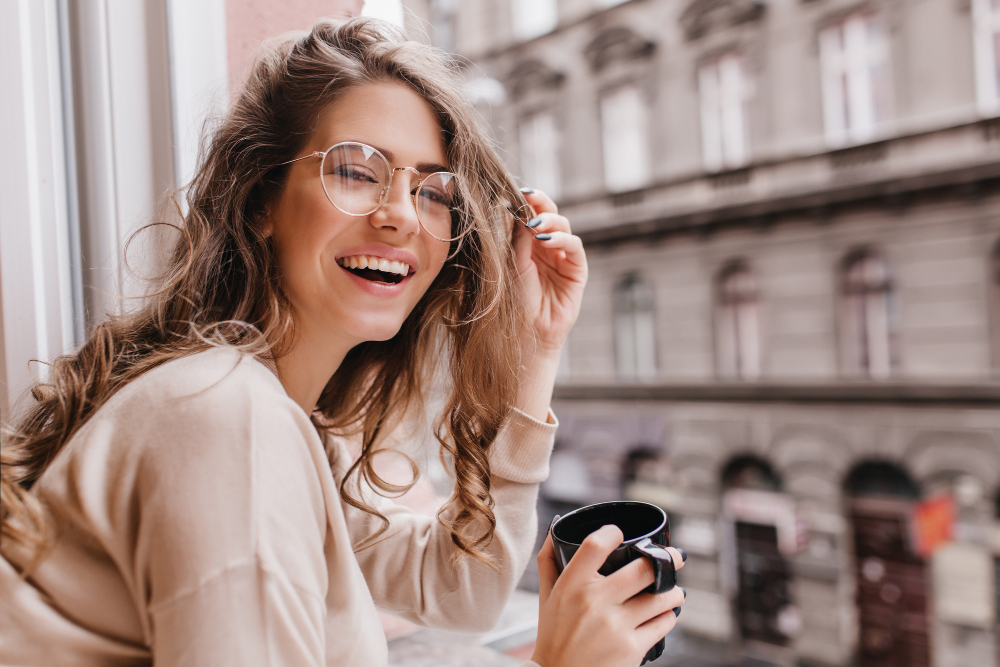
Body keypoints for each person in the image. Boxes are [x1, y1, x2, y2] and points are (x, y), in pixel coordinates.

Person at [0, 18, 685, 667]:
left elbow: (462, 590)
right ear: (261, 200)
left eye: (434, 190)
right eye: (357, 171)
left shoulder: (272, 419)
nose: (400, 215)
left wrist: (536, 346)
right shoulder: (225, 419)